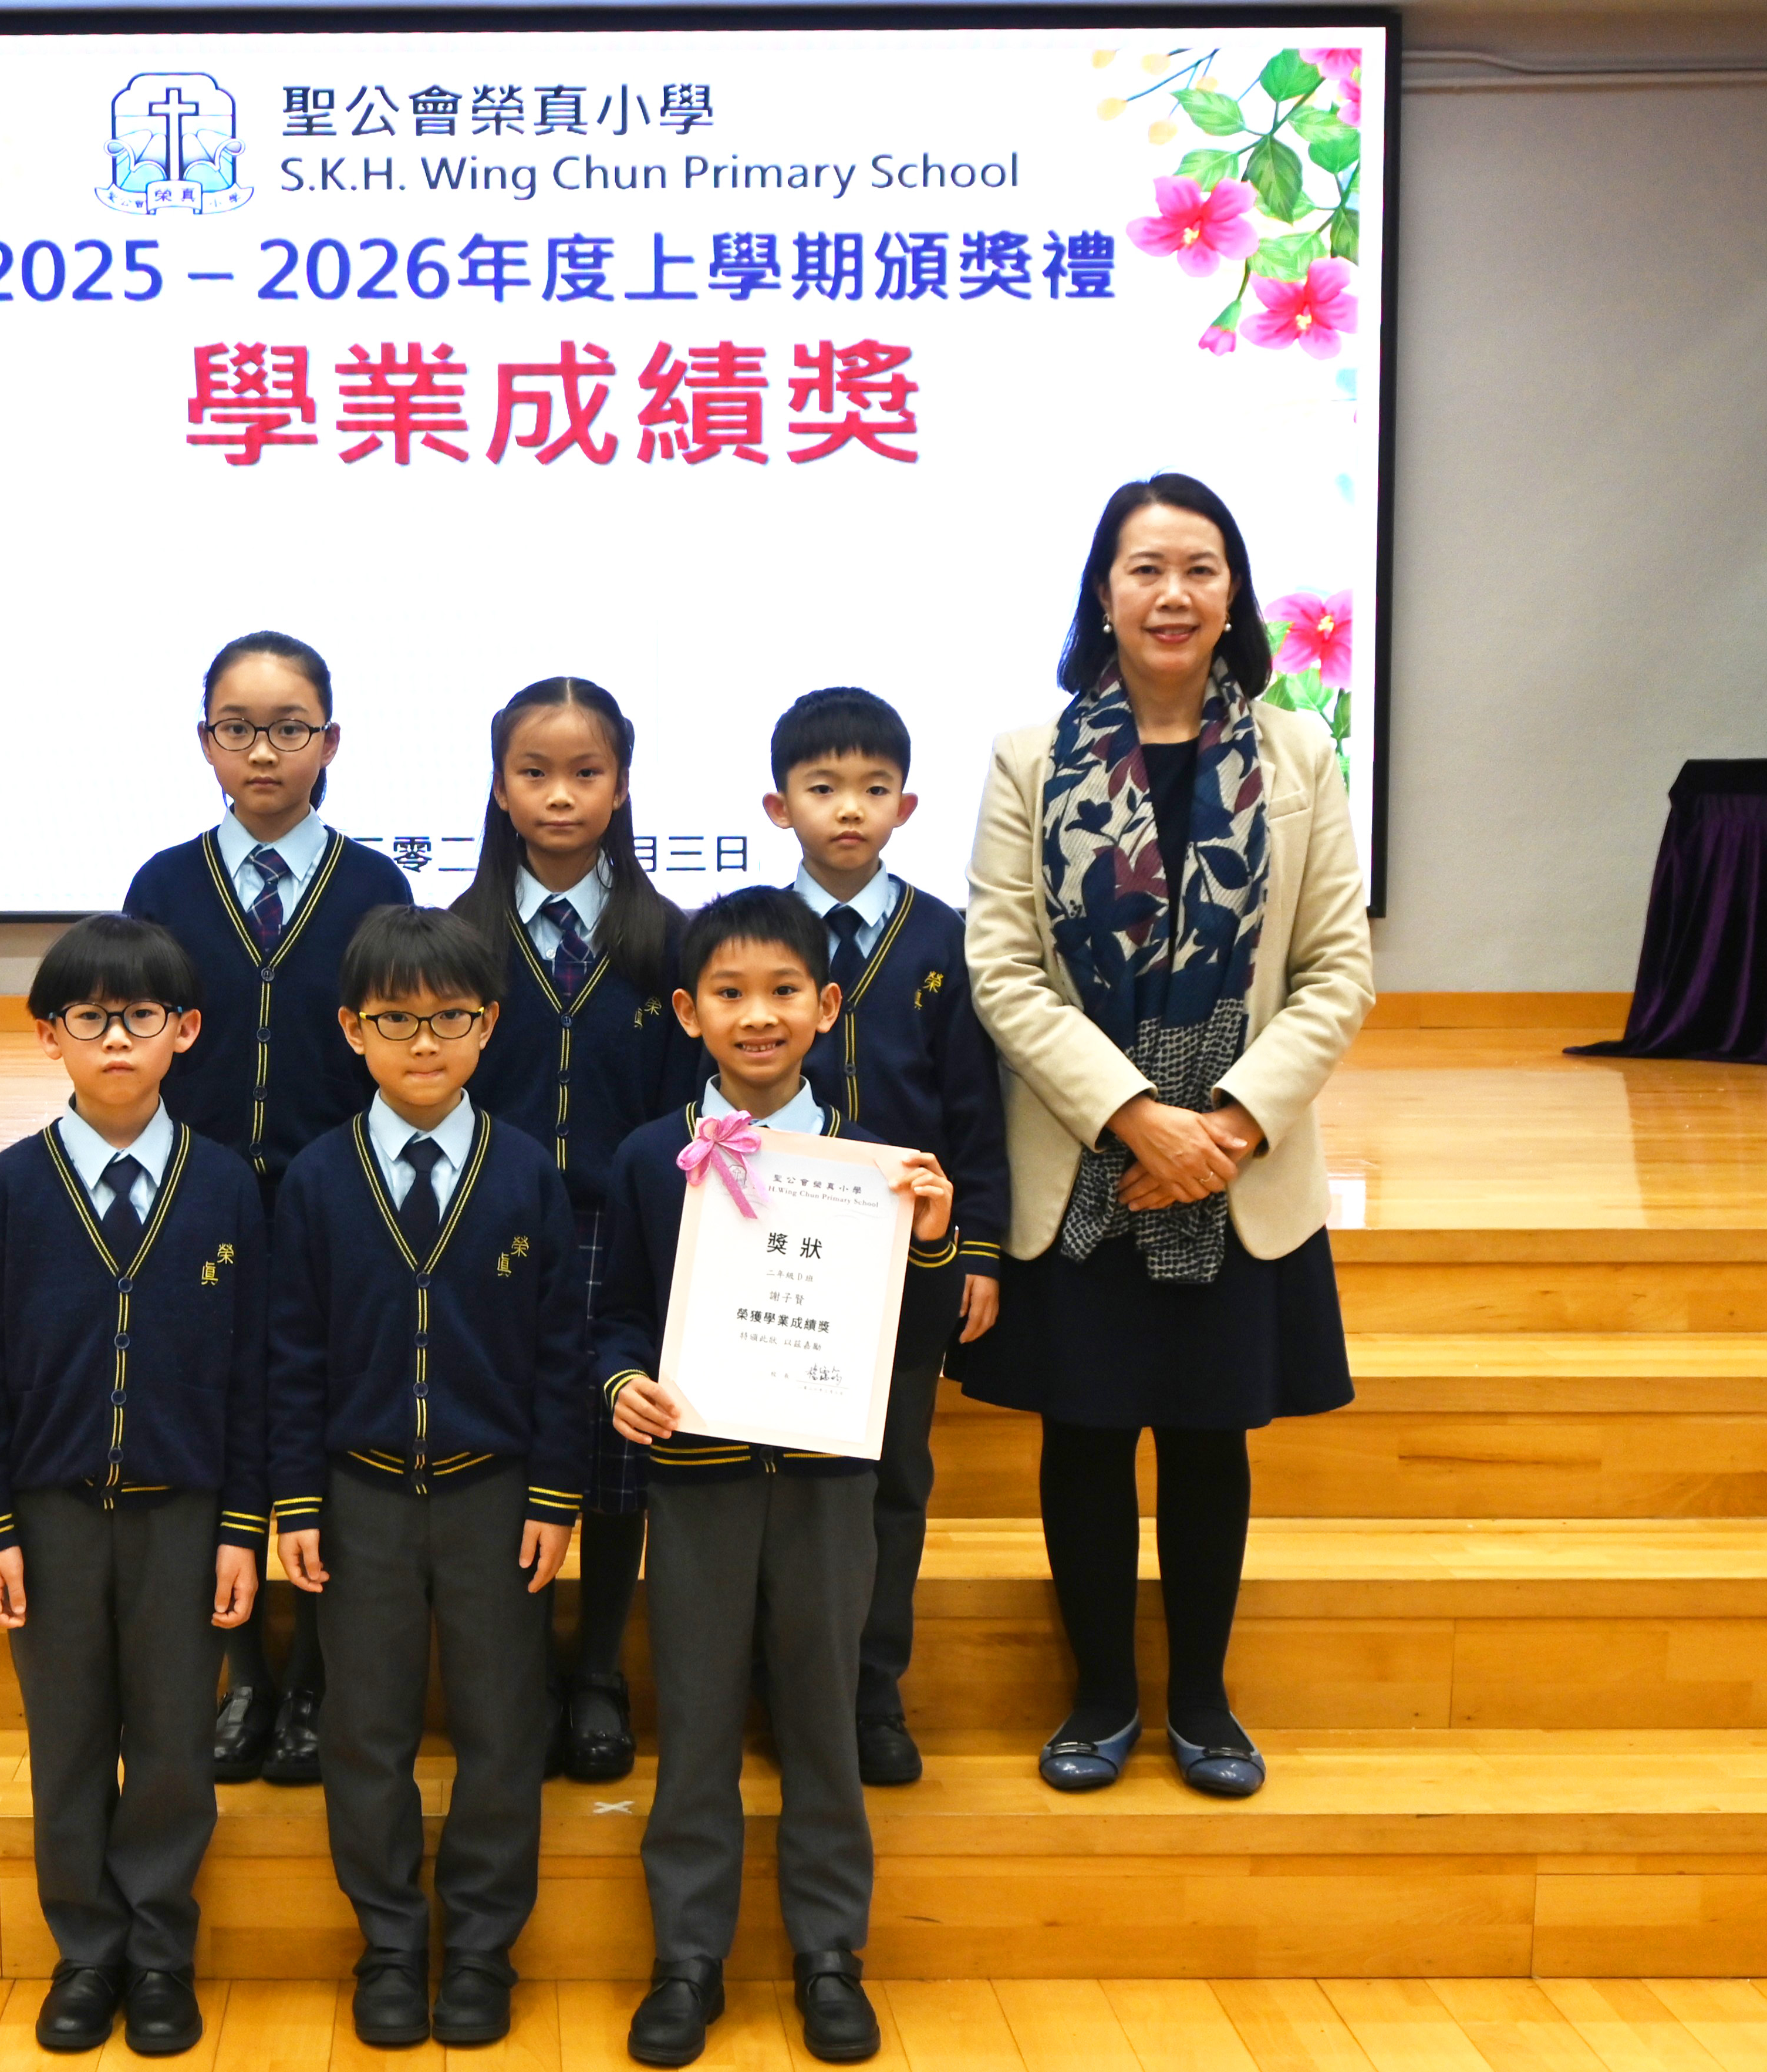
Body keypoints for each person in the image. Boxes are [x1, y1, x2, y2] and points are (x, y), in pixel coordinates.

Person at [959, 473, 1373, 1800]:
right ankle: (1098, 1698)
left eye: (1199, 567)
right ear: (1103, 594)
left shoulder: (1299, 756)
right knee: (1083, 1438)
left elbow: (1336, 969)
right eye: (1145, 569)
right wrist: (1138, 1120)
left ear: (1232, 593)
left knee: (1206, 1437)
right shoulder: (1031, 758)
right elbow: (1001, 970)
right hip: (1086, 1157)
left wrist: (1227, 1128)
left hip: (1236, 1170)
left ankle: (1201, 1699)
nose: (1172, 593)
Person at [596, 887, 963, 2068]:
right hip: (697, 1485)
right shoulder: (649, 1157)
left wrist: (933, 1241)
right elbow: (612, 1315)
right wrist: (619, 1382)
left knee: (822, 1721)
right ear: (686, 1012)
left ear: (827, 1004)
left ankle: (828, 1955)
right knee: (696, 1723)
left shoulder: (874, 1167)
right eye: (729, 993)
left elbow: (915, 1345)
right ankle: (685, 1958)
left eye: (782, 991)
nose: (757, 1016)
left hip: (824, 1487)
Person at [267, 906, 589, 2049]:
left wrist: (554, 1493)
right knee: (365, 1731)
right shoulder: (316, 1179)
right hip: (356, 1499)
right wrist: (295, 1500)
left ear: (488, 1025)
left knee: (502, 1727)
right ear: (351, 1030)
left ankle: (484, 1950)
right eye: (395, 1021)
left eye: (448, 1019)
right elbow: (290, 1354)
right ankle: (392, 1945)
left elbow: (559, 1351)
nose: (423, 1043)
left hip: (496, 1498)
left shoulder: (526, 1173)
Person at [0, 914, 268, 2058]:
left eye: (141, 1016)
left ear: (186, 1030)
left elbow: (252, 1373)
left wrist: (241, 1525)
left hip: (186, 1517)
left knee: (176, 1743)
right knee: (70, 1740)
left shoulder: (226, 1185)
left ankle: (161, 1952)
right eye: (90, 1018)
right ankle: (87, 1950)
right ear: (51, 1036)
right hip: (50, 1517)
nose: (117, 1038)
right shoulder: (15, 1185)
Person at [123, 630, 412, 1788]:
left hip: (335, 1203)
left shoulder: (375, 888)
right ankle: (241, 1672)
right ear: (205, 742)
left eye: (288, 728)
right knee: (222, 1432)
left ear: (328, 742)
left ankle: (315, 1681)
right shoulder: (163, 887)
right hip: (200, 1205)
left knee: (326, 1433)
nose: (262, 752)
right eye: (237, 728)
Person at [449, 676, 702, 1783]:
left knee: (613, 1460)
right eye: (534, 773)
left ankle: (597, 1669)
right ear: (500, 788)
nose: (560, 795)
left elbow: (689, 1109)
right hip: (483, 1235)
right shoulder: (457, 939)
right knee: (509, 1445)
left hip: (620, 1233)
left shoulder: (667, 941)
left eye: (585, 772)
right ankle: (517, 1667)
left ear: (622, 785)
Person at [763, 686, 1010, 1786]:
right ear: (779, 807)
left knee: (892, 1480)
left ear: (906, 807)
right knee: (781, 1483)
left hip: (907, 1259)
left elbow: (974, 1107)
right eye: (822, 788)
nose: (848, 809)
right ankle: (783, 1684)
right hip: (776, 1259)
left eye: (872, 788)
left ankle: (871, 1691)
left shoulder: (944, 941)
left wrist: (980, 1246)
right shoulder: (750, 936)